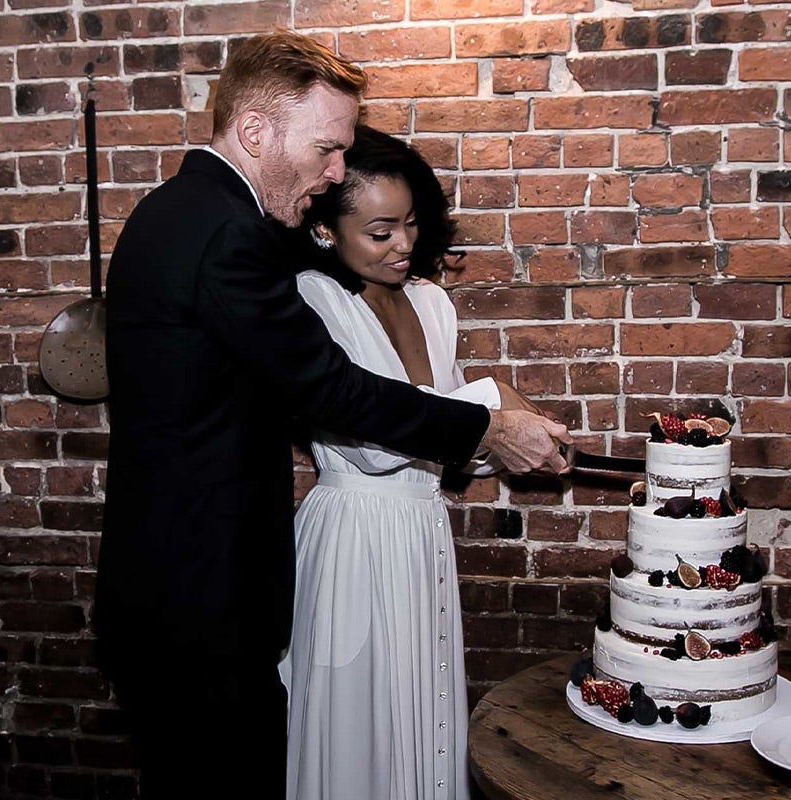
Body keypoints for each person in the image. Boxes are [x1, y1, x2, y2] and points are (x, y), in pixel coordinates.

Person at [95, 31, 569, 800]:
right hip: (201, 599)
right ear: (255, 133)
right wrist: (487, 428)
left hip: (168, 586)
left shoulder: (174, 210)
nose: (336, 171)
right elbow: (332, 392)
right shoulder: (229, 234)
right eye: (327, 148)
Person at [281, 125, 533, 800]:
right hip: (354, 538)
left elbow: (449, 441)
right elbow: (371, 441)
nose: (404, 246)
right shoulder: (314, 300)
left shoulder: (432, 300)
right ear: (327, 231)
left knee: (423, 713)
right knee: (358, 728)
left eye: (412, 224)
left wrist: (508, 439)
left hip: (422, 534)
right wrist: (493, 410)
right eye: (381, 231)